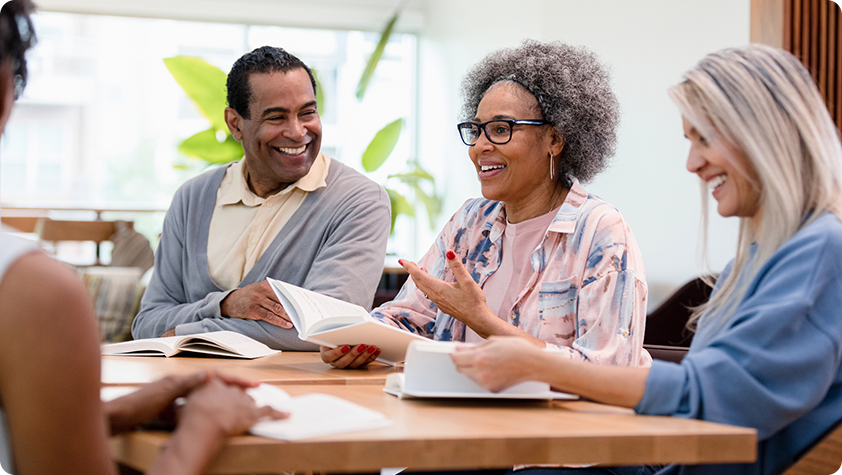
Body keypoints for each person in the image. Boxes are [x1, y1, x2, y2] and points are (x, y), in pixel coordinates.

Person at [451, 44, 842, 475]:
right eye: (690, 141)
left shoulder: (822, 252)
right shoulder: (751, 266)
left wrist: (534, 362)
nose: (693, 163)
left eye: (705, 139)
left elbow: (709, 397)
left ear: (766, 135)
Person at [0, 2, 284, 474]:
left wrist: (112, 413)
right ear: (7, 92)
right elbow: (150, 321)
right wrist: (205, 427)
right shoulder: (30, 293)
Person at [322, 40, 650, 369]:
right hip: (455, 412)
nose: (479, 146)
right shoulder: (471, 221)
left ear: (555, 139)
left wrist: (484, 322)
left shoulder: (600, 231)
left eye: (500, 129)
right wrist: (356, 338)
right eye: (476, 130)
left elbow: (610, 370)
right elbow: (407, 320)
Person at [132, 46, 392, 349]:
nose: (297, 132)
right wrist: (227, 303)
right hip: (191, 389)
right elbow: (148, 323)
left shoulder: (358, 201)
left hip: (294, 393)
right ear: (235, 124)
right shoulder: (192, 199)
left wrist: (184, 332)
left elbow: (329, 327)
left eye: (307, 112)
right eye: (277, 117)